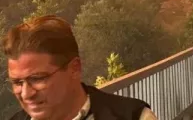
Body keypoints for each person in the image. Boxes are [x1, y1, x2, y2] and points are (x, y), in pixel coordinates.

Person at [3, 15, 156, 120]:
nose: (26, 94)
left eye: (37, 79)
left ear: (74, 68)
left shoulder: (134, 117)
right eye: (17, 83)